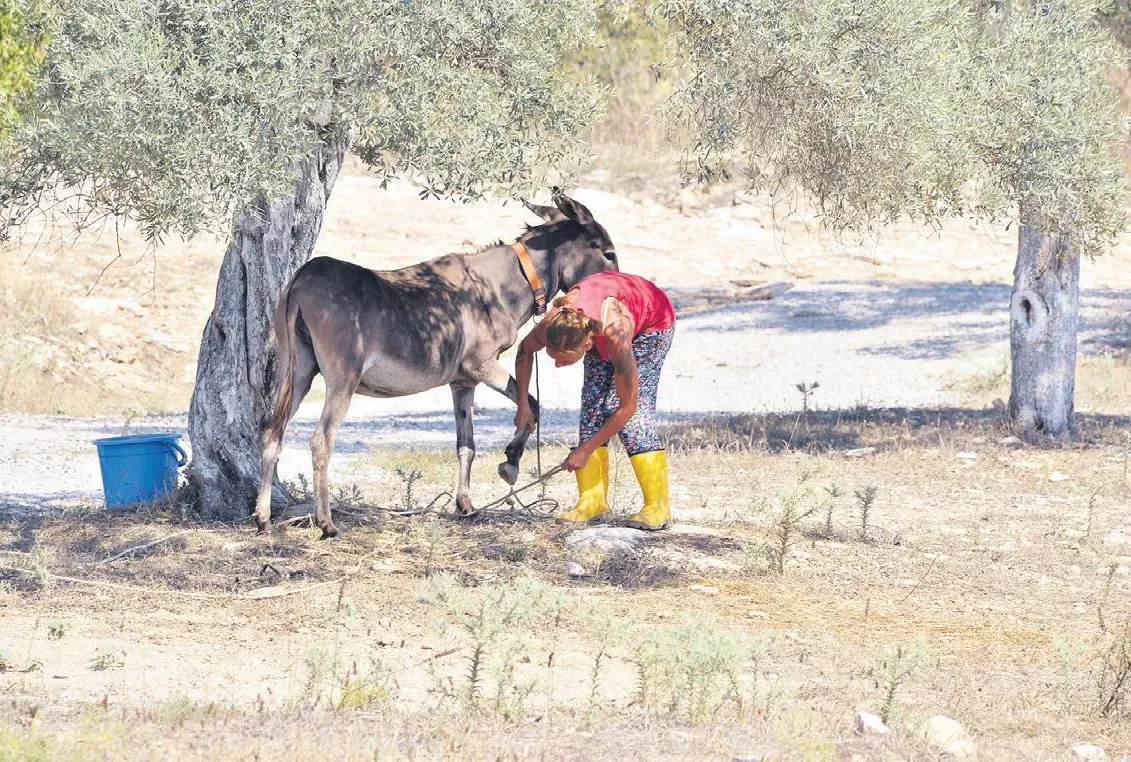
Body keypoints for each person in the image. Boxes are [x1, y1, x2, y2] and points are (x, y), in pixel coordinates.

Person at [513, 270, 676, 530]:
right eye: (554, 356)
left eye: (565, 359)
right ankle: (592, 501)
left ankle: (658, 506)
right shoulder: (558, 322)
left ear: (588, 344)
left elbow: (628, 407)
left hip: (652, 324)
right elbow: (524, 350)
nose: (557, 365)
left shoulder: (616, 336)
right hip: (600, 317)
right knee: (592, 412)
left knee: (633, 420)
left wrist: (584, 450)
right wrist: (523, 404)